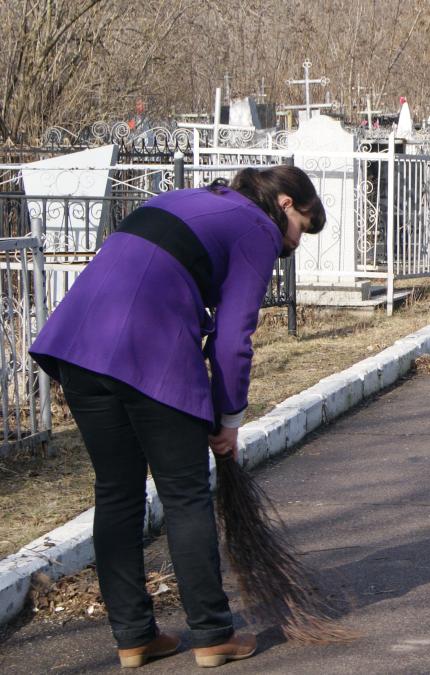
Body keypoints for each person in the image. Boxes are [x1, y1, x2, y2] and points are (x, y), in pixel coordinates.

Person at [29, 166, 325, 668]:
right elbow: (233, 340)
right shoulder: (257, 228)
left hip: (80, 345)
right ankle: (212, 635)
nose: (294, 244)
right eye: (303, 226)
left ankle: (134, 637)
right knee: (184, 494)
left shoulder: (187, 198)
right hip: (149, 350)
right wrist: (228, 418)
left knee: (116, 492)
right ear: (284, 204)